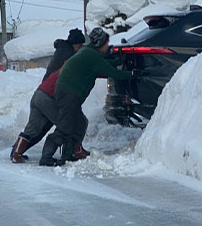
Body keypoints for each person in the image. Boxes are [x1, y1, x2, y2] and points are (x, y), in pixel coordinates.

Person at [39, 27, 134, 166]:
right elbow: (111, 72)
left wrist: (119, 61)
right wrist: (132, 75)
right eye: (106, 43)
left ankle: (69, 153)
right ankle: (46, 157)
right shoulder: (91, 55)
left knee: (80, 123)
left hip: (68, 92)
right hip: (68, 93)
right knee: (66, 126)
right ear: (100, 43)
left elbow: (104, 64)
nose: (107, 46)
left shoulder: (88, 51)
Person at [10, 28, 85, 163]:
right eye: (80, 46)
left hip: (41, 92)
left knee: (33, 128)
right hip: (50, 95)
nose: (80, 49)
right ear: (76, 44)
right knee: (66, 123)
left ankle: (16, 153)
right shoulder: (69, 55)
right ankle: (65, 153)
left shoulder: (62, 50)